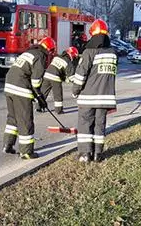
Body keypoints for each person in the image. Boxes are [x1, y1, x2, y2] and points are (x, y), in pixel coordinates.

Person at [2, 36, 56, 159]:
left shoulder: (29, 53)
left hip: (9, 86)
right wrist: (40, 97)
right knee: (25, 120)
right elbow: (36, 81)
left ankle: (7, 145)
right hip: (21, 89)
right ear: (49, 49)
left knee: (13, 118)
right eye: (51, 51)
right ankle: (26, 152)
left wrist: (37, 96)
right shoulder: (40, 56)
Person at [72, 19, 117, 163]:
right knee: (100, 126)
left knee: (85, 124)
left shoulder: (89, 52)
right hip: (105, 98)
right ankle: (98, 154)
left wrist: (75, 90)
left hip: (88, 97)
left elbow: (81, 74)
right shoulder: (112, 53)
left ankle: (85, 154)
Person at [37, 46, 79, 114]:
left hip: (47, 75)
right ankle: (58, 110)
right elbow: (71, 76)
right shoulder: (68, 62)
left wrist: (64, 78)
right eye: (74, 57)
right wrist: (77, 83)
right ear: (72, 55)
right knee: (58, 95)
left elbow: (58, 69)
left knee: (43, 92)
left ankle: (39, 107)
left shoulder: (57, 57)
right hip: (55, 78)